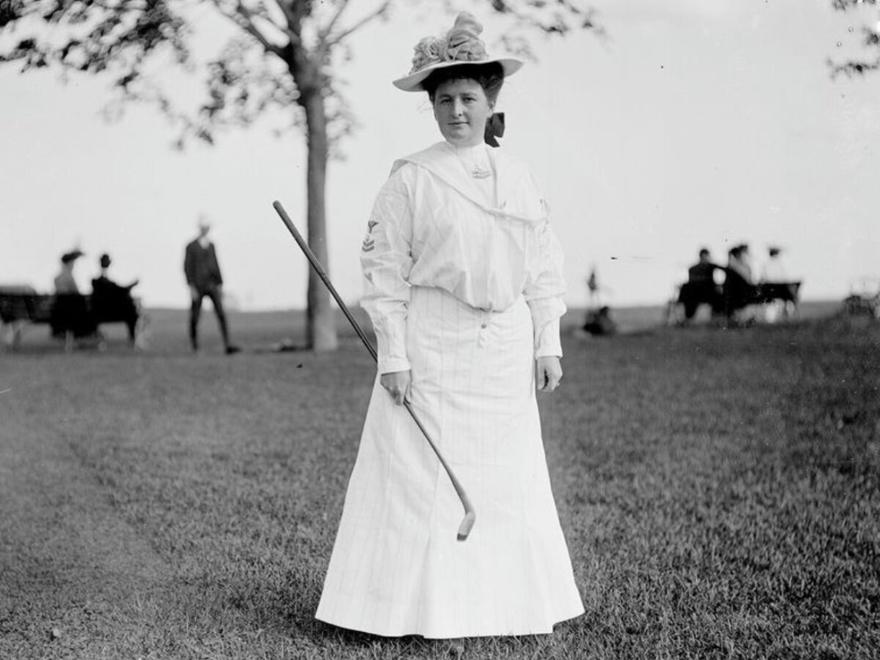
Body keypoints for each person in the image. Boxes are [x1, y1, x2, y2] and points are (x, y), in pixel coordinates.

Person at [315, 12, 584, 639]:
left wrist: (547, 341)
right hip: (434, 345)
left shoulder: (519, 177)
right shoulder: (412, 178)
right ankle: (418, 613)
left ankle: (507, 609)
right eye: (444, 101)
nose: (457, 111)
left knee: (505, 476)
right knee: (423, 482)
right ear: (432, 107)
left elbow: (543, 265)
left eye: (468, 98)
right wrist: (394, 356)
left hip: (505, 347)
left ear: (490, 102)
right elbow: (384, 273)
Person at [183, 217, 239, 354]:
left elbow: (216, 264)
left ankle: (227, 344)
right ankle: (194, 346)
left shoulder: (211, 245)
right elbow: (187, 267)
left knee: (221, 314)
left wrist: (220, 283)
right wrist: (191, 287)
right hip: (198, 286)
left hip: (212, 285)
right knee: (195, 316)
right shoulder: (191, 246)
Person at [91, 253, 140, 344]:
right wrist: (132, 285)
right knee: (132, 310)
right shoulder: (103, 282)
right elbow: (121, 291)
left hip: (100, 313)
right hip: (112, 313)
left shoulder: (96, 282)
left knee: (131, 308)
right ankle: (132, 339)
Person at [679, 247, 723, 321]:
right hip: (702, 294)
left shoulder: (708, 267)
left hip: (703, 294)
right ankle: (716, 317)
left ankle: (716, 316)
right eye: (705, 256)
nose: (706, 258)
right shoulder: (699, 268)